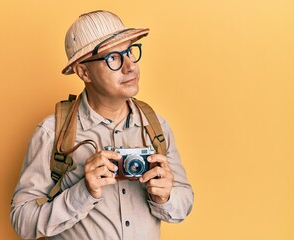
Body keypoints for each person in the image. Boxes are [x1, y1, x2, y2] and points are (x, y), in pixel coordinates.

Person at [10, 10, 194, 240]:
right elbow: (22, 222)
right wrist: (83, 191)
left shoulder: (156, 127)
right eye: (114, 58)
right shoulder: (51, 132)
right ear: (84, 71)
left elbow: (184, 202)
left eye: (129, 52)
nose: (130, 67)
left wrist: (165, 198)